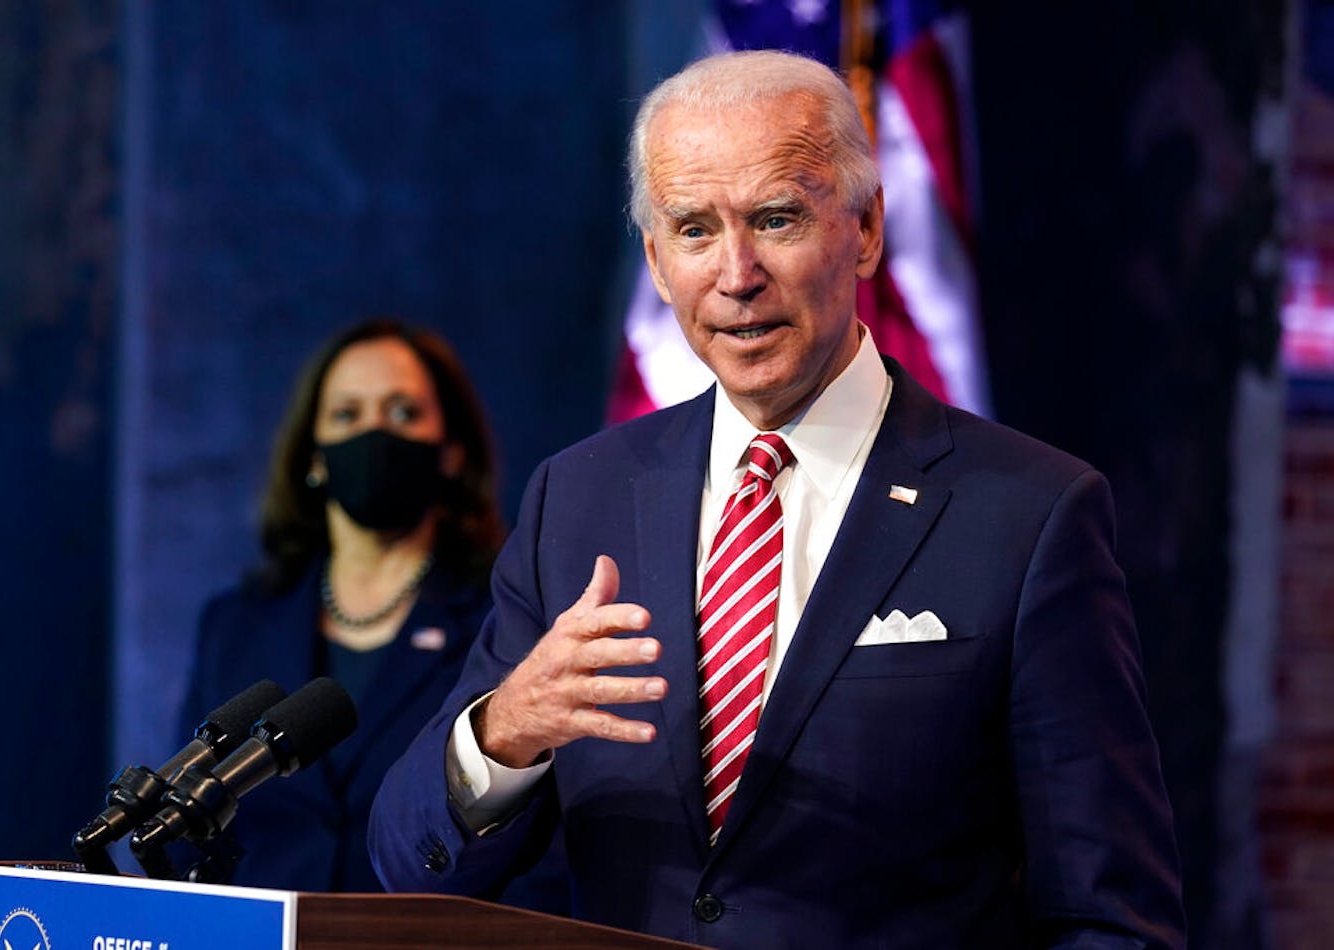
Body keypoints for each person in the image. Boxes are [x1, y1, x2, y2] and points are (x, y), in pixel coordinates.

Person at [369, 51, 1184, 947]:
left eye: (777, 218)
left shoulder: (1030, 514)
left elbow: (1110, 917)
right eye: (693, 231)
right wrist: (507, 730)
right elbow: (410, 864)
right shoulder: (580, 497)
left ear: (867, 228)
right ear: (654, 257)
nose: (737, 273)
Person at [179, 319, 564, 904]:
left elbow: (537, 845)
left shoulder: (507, 621)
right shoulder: (235, 626)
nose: (374, 434)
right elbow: (191, 829)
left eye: (403, 414)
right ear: (313, 456)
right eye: (347, 416)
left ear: (452, 453)